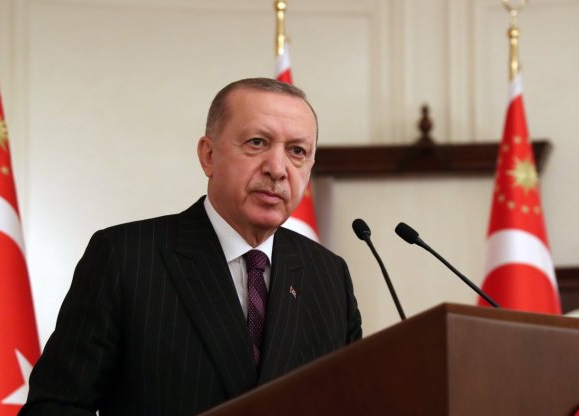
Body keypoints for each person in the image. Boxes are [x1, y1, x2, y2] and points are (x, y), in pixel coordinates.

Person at [20, 78, 363, 415]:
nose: (277, 169)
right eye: (257, 142)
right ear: (208, 156)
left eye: (297, 152)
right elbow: (55, 407)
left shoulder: (329, 275)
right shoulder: (125, 258)